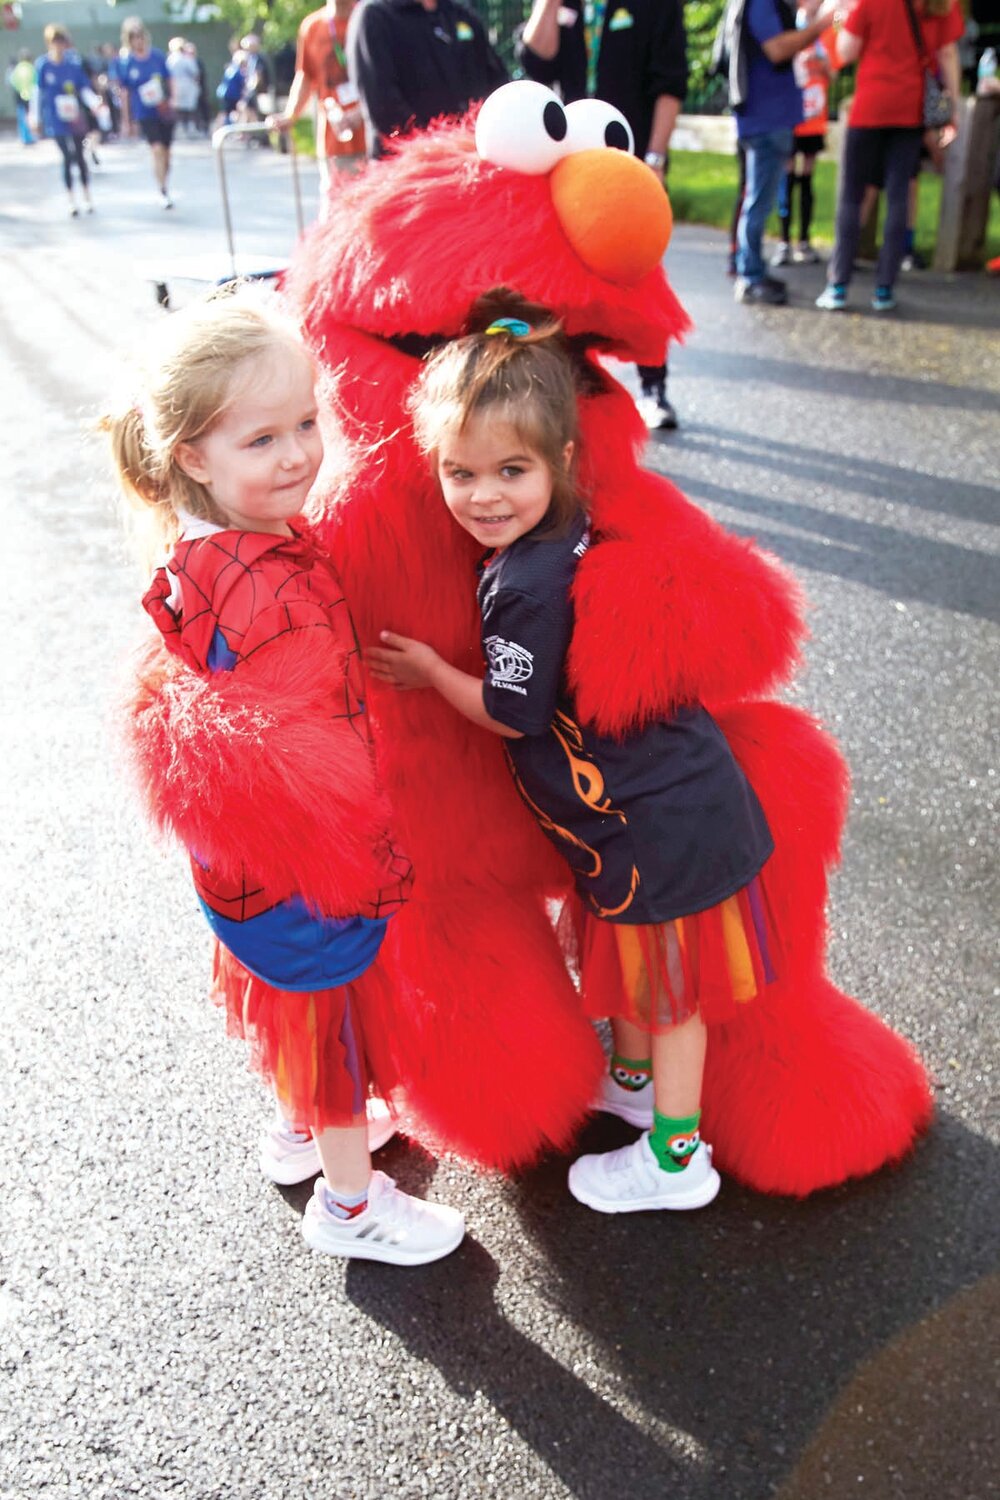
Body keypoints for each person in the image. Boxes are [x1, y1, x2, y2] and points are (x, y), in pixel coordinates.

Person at [369, 292, 785, 1214]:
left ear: (559, 460)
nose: (482, 497)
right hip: (647, 817)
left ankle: (678, 1160)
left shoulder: (525, 580)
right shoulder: (558, 530)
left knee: (672, 994)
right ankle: (634, 1087)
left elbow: (515, 711)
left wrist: (433, 670)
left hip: (660, 825)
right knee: (642, 966)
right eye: (458, 473)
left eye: (509, 470)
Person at [105, 287, 465, 1265]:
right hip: (307, 866)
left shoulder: (211, 550)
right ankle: (351, 1204)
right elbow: (313, 751)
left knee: (296, 1007)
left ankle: (301, 1129)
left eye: (306, 423)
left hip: (242, 869)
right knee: (335, 1017)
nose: (300, 453)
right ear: (191, 455)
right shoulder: (272, 591)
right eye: (262, 440)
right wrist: (369, 851)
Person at [518, 0, 687, 430]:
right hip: (568, 171)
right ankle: (571, 389)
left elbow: (670, 83)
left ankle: (654, 386)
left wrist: (655, 157)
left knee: (641, 281)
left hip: (628, 167)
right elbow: (535, 61)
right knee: (563, 282)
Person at [817, 0, 963, 312]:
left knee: (852, 198)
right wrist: (952, 109)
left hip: (869, 107)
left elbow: (847, 51)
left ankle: (838, 284)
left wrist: (843, 21)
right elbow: (947, 54)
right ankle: (884, 289)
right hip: (909, 112)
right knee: (899, 197)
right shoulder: (941, 4)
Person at [720, 0, 838, 304]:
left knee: (757, 198)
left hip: (767, 117)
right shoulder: (761, 3)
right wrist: (820, 27)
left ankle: (751, 270)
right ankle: (750, 275)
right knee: (757, 201)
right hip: (765, 118)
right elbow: (777, 48)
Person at [347, 0, 507, 160]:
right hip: (409, 169)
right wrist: (444, 150)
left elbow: (497, 84)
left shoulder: (461, 14)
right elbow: (384, 109)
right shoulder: (375, 16)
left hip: (473, 162)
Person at [267, 0, 366, 215]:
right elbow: (305, 75)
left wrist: (362, 112)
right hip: (335, 141)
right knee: (336, 211)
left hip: (373, 139)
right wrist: (291, 115)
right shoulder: (312, 26)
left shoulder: (370, 18)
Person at [771, 0, 840, 266]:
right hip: (792, 117)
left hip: (814, 119)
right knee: (786, 179)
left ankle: (804, 240)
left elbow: (834, 74)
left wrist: (822, 63)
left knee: (807, 181)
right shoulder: (788, 27)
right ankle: (784, 241)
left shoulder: (827, 31)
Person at [29, 25, 101, 216]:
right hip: (55, 118)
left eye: (62, 42)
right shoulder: (43, 65)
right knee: (67, 157)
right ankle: (71, 199)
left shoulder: (73, 64)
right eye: (55, 42)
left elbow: (84, 88)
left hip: (74, 117)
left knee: (79, 155)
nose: (59, 46)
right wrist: (34, 117)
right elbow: (37, 92)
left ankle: (87, 195)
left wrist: (95, 104)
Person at [116, 18, 177, 209]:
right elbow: (124, 93)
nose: (138, 41)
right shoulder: (126, 63)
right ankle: (162, 189)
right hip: (144, 112)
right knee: (156, 149)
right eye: (133, 38)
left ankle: (164, 179)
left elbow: (169, 79)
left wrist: (174, 99)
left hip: (163, 110)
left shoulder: (157, 57)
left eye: (140, 37)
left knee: (166, 153)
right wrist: (127, 120)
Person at [166, 36, 200, 137]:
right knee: (189, 107)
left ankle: (180, 128)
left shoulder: (170, 59)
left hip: (176, 85)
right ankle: (190, 128)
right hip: (187, 85)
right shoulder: (186, 58)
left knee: (178, 107)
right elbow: (195, 72)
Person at [10, 49, 36, 145]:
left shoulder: (17, 68)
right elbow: (36, 82)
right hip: (30, 96)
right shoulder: (31, 68)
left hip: (19, 96)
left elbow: (13, 82)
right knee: (31, 116)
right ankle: (31, 136)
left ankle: (24, 137)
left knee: (22, 116)